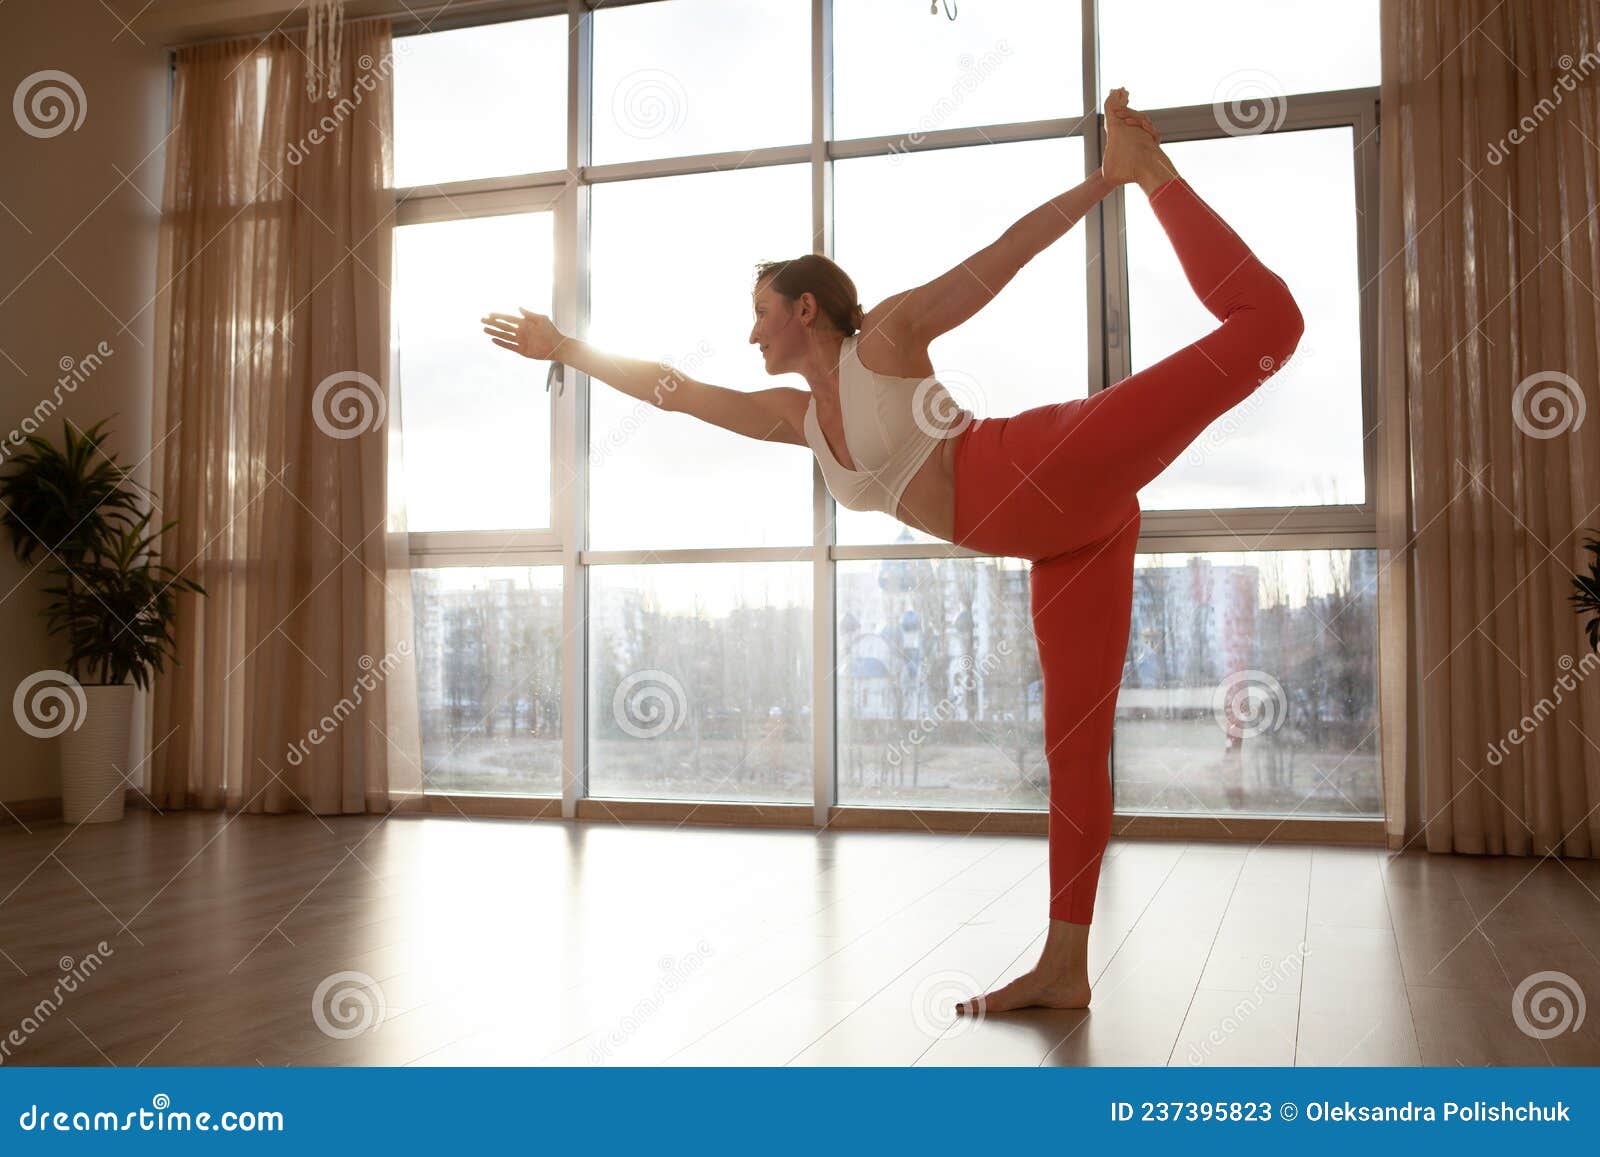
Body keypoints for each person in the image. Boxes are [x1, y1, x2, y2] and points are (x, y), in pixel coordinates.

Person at [480, 88, 1305, 1014]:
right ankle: (1064, 967)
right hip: (1066, 542)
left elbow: (1002, 258)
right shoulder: (800, 421)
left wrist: (1105, 183)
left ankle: (1155, 175)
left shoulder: (889, 338)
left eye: (760, 313)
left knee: (1269, 327)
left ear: (804, 307)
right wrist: (568, 346)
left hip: (1042, 464)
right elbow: (677, 391)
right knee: (1073, 745)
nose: (750, 333)